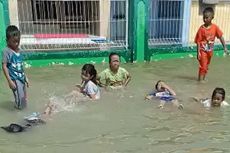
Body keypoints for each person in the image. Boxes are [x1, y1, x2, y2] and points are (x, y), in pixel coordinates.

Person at [194, 7, 229, 82]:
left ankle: (202, 79)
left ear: (212, 17)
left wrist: (225, 47)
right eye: (204, 17)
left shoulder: (215, 27)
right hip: (203, 51)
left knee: (206, 66)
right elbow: (198, 41)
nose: (205, 19)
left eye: (207, 17)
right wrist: (198, 53)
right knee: (203, 66)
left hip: (210, 52)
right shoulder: (201, 29)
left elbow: (221, 37)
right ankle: (200, 81)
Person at [2, 25, 29, 109]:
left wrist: (25, 77)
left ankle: (23, 112)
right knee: (20, 100)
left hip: (21, 78)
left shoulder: (19, 50)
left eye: (18, 41)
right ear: (7, 41)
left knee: (24, 99)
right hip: (15, 79)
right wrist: (10, 81)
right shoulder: (6, 51)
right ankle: (18, 114)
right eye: (14, 42)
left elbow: (20, 65)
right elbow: (4, 66)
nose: (16, 44)